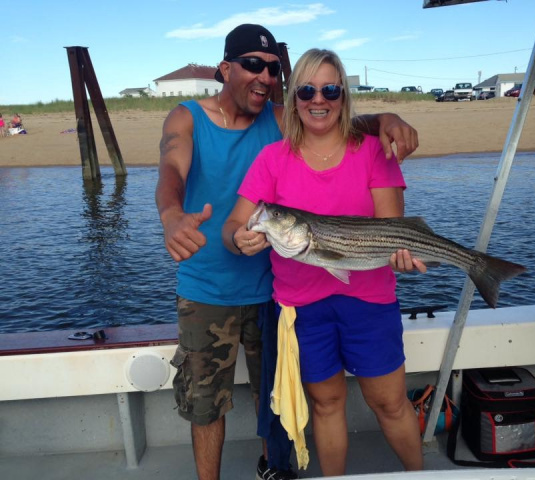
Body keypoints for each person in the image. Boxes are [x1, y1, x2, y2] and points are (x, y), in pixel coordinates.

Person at [155, 25, 420, 480]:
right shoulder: (197, 121)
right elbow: (172, 170)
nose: (263, 76)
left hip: (297, 292)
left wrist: (388, 117)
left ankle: (281, 468)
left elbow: (342, 123)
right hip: (235, 290)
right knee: (215, 403)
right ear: (226, 68)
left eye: (272, 68)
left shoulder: (286, 120)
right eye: (253, 65)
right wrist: (174, 216)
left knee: (288, 395)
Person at [223, 48, 425, 477]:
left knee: (389, 403)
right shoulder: (272, 159)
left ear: (343, 95)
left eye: (330, 89)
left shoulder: (373, 152)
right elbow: (236, 225)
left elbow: (393, 228)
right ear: (292, 97)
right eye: (307, 90)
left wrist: (403, 257)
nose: (319, 100)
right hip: (301, 309)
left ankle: (420, 475)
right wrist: (240, 240)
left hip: (369, 302)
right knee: (326, 404)